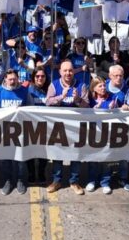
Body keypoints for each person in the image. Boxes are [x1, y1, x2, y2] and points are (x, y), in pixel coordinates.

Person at [46, 60, 89, 195]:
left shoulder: (81, 86)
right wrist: (61, 97)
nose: (68, 73)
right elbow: (47, 102)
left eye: (70, 70)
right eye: (65, 70)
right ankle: (56, 181)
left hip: (76, 126)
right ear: (60, 72)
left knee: (75, 154)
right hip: (58, 126)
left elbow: (87, 106)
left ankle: (74, 181)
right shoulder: (54, 85)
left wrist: (78, 100)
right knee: (57, 153)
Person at [0, 69, 33, 195]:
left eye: (15, 79)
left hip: (21, 131)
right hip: (4, 131)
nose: (13, 81)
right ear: (5, 79)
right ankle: (8, 181)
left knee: (20, 160)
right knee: (5, 159)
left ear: (18, 79)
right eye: (10, 79)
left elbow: (31, 109)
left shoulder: (24, 91)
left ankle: (20, 180)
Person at [27, 68, 50, 183]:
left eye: (43, 76)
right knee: (30, 151)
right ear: (33, 78)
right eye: (37, 76)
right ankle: (31, 173)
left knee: (43, 152)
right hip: (30, 125)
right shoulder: (28, 89)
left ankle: (41, 173)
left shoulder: (50, 89)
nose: (40, 78)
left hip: (46, 125)